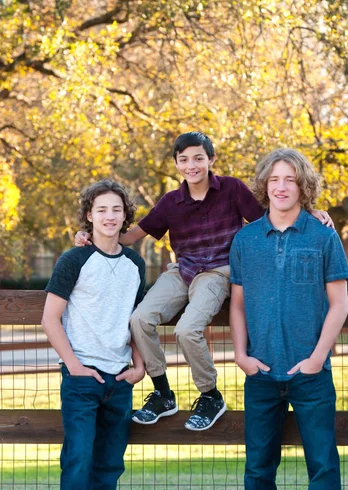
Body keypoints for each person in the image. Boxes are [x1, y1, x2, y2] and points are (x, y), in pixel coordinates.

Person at [75, 132, 332, 431]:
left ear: (211, 160)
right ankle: (162, 392)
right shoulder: (171, 202)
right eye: (184, 159)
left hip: (219, 272)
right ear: (176, 164)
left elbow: (269, 216)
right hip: (182, 270)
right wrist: (90, 236)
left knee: (187, 329)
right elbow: (132, 236)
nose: (192, 165)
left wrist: (309, 213)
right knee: (139, 318)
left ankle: (210, 395)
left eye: (198, 158)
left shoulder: (232, 189)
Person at [229, 148, 348, 490]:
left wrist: (318, 356)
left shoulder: (322, 236)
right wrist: (242, 355)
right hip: (261, 373)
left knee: (322, 464)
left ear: (303, 186)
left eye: (291, 180)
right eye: (275, 180)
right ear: (265, 185)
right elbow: (238, 305)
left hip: (311, 371)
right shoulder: (246, 240)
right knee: (258, 468)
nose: (282, 187)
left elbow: (339, 304)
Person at [42, 179, 146, 490]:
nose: (109, 216)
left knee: (108, 468)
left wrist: (138, 366)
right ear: (89, 214)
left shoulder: (135, 264)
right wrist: (74, 367)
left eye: (116, 209)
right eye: (101, 209)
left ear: (125, 216)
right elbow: (50, 319)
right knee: (79, 462)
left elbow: (136, 321)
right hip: (82, 379)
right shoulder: (74, 259)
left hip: (119, 381)